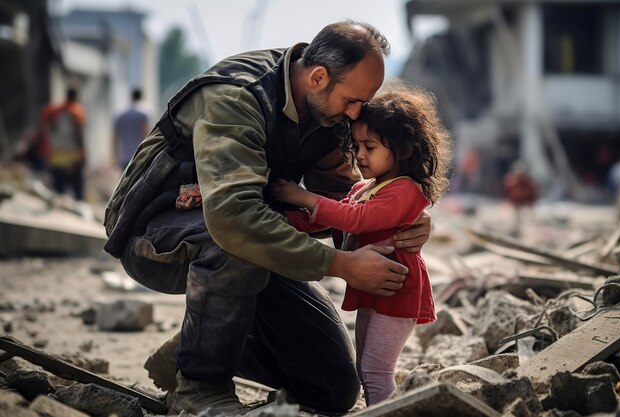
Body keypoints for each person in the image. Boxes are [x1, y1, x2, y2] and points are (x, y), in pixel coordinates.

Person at [104, 21, 432, 415]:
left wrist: (402, 217)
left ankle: (188, 351)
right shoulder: (238, 97)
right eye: (352, 100)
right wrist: (341, 265)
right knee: (238, 239)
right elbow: (233, 218)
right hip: (156, 233)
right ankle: (200, 389)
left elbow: (337, 201)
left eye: (363, 102)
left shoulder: (330, 112)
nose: (357, 113)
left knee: (333, 389)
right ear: (318, 77)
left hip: (256, 241)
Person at [271, 83, 451, 405]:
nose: (361, 155)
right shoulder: (366, 187)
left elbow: (357, 220)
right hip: (372, 287)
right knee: (365, 368)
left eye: (370, 147)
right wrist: (288, 222)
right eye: (357, 146)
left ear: (405, 150)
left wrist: (302, 196)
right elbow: (330, 218)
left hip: (397, 289)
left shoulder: (406, 190)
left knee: (376, 371)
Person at [38, 87, 86, 200]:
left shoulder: (52, 110)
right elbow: (79, 135)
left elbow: (44, 131)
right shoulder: (77, 111)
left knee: (59, 193)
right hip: (73, 159)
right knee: (78, 194)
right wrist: (84, 154)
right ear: (76, 96)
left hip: (56, 158)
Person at [112, 88, 150, 170]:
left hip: (124, 156)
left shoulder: (120, 114)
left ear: (131, 97)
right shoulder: (144, 113)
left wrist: (114, 156)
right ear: (141, 97)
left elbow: (115, 136)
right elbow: (146, 134)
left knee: (126, 180)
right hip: (139, 155)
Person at [502, 160, 538, 236]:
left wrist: (531, 203)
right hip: (515, 203)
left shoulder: (528, 184)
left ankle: (525, 233)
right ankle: (515, 231)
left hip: (525, 203)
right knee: (514, 218)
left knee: (526, 220)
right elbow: (507, 192)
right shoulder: (511, 183)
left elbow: (532, 194)